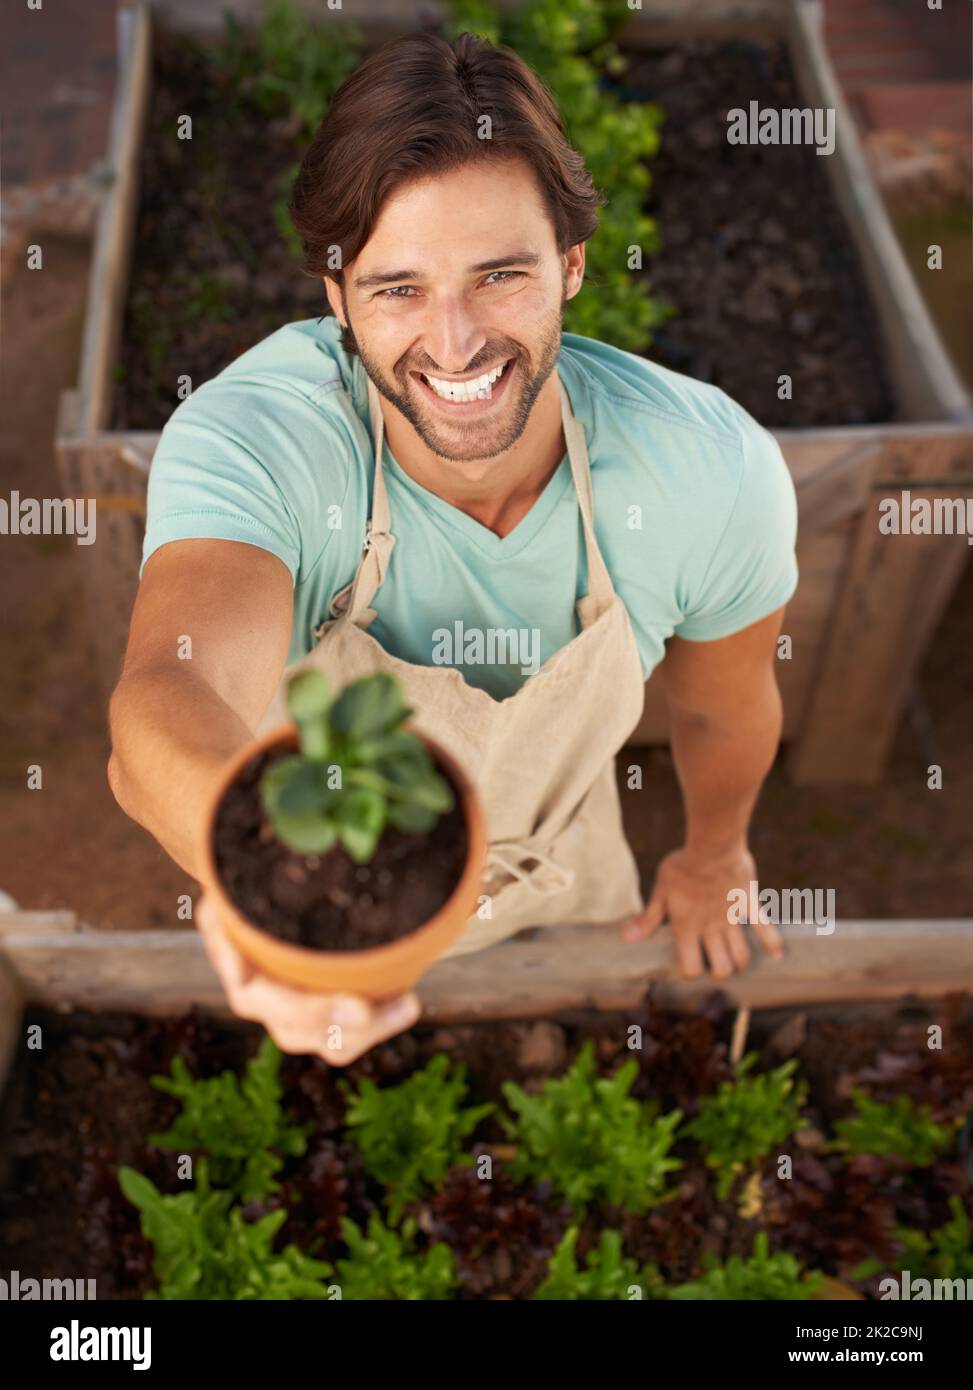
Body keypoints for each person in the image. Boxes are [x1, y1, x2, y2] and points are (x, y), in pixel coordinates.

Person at [107, 31, 797, 1064]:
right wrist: (252, 892)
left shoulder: (704, 472)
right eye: (398, 290)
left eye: (499, 275)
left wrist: (712, 856)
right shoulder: (258, 443)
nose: (457, 341)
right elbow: (165, 699)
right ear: (335, 299)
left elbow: (720, 701)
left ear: (569, 268)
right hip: (324, 887)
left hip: (562, 872)